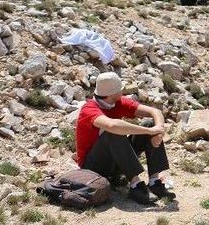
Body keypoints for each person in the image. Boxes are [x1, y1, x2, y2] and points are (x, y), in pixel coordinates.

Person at [75, 72, 175, 205]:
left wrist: (158, 131)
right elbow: (112, 125)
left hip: (114, 161)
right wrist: (150, 131)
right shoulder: (89, 109)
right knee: (113, 131)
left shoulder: (117, 102)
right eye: (119, 89)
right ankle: (135, 185)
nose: (122, 90)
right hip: (93, 167)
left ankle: (154, 181)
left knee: (149, 123)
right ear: (111, 94)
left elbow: (154, 112)